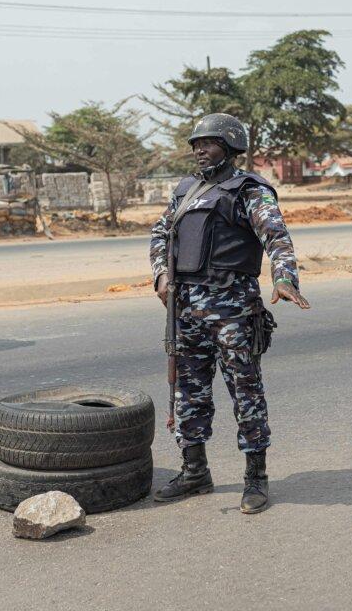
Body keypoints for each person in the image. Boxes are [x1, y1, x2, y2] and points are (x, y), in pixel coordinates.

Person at [150, 113, 310, 514]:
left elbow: (276, 235)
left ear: (231, 147)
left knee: (246, 393)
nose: (200, 150)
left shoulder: (249, 190)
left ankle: (256, 478)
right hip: (185, 310)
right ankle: (195, 472)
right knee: (189, 393)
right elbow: (159, 233)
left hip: (233, 311)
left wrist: (285, 277)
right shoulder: (186, 190)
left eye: (209, 142)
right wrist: (160, 275)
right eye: (195, 144)